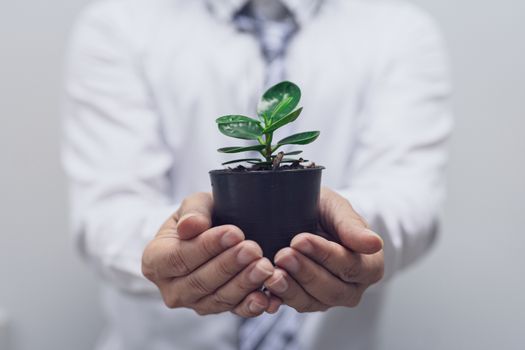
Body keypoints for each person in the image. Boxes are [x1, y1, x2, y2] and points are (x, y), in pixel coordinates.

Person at [62, 0, 452, 349]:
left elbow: (410, 201)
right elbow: (107, 213)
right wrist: (197, 242)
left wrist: (335, 228)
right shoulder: (120, 23)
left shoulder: (398, 30)